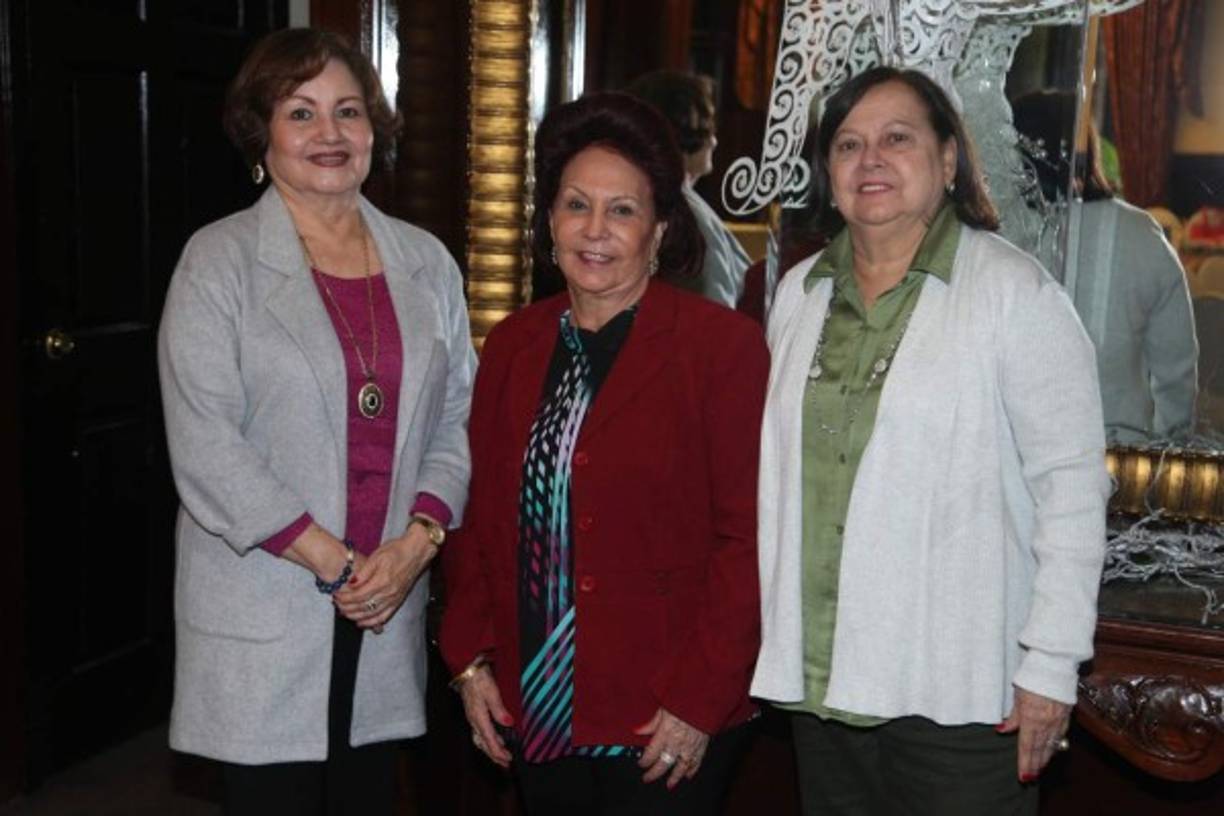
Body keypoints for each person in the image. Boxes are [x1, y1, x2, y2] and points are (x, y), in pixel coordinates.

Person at [752, 66, 1110, 815]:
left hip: (961, 701)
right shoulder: (799, 293)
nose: (870, 159)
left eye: (897, 139)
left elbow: (1073, 492)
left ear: (949, 161)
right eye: (848, 143)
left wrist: (1050, 668)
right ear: (828, 170)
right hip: (825, 690)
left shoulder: (1015, 293)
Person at [157, 28, 474, 815]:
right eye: (301, 113)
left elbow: (458, 416)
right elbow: (205, 444)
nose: (330, 135)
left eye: (348, 111)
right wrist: (331, 560)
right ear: (261, 135)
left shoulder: (427, 262)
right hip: (268, 595)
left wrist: (417, 543)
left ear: (375, 128)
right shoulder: (217, 260)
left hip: (386, 603)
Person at [439, 92, 767, 815]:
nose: (595, 231)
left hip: (665, 715)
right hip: (538, 706)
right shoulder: (514, 346)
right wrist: (471, 659)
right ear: (549, 221)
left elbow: (749, 540)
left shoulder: (722, 349)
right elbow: (478, 514)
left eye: (622, 210)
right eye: (575, 205)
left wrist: (699, 699)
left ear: (659, 229)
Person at [1012, 90, 1199, 444]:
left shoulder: (995, 232)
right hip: (1119, 456)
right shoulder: (1140, 234)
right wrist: (1166, 453)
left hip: (1014, 455)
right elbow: (1176, 374)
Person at [626, 70, 752, 308]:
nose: (714, 140)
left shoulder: (663, 202)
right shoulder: (685, 215)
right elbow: (712, 314)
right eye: (707, 126)